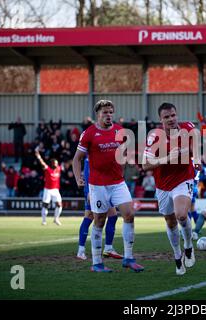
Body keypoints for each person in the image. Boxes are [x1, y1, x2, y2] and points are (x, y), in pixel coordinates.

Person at [73, 99, 144, 273]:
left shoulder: (120, 131)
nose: (109, 115)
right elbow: (77, 159)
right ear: (98, 114)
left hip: (118, 183)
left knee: (129, 214)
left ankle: (128, 258)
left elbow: (124, 153)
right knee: (99, 221)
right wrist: (78, 178)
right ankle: (96, 263)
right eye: (105, 112)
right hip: (97, 185)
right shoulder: (89, 133)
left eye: (111, 112)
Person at [143, 102, 199, 275]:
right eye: (167, 117)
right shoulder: (154, 137)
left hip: (183, 179)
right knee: (170, 221)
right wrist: (167, 158)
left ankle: (189, 246)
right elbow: (145, 165)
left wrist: (195, 156)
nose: (171, 119)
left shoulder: (187, 127)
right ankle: (177, 254)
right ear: (160, 120)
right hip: (163, 185)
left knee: (181, 215)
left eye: (173, 115)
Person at [76, 156, 123, 261]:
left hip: (105, 187)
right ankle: (81, 250)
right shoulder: (91, 153)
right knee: (89, 216)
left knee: (113, 216)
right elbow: (87, 172)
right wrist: (88, 191)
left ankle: (108, 248)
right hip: (93, 189)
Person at [35, 147, 63, 226]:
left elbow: (68, 163)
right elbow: (42, 163)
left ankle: (56, 219)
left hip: (56, 190)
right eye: (55, 163)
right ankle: (44, 220)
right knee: (45, 205)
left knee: (59, 205)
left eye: (57, 163)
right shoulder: (48, 169)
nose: (56, 165)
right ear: (51, 164)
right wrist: (39, 157)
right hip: (48, 190)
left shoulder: (59, 169)